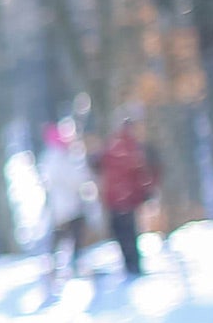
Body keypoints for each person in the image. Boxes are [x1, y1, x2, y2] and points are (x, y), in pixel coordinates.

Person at [95, 115, 160, 278]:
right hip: (126, 198)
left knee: (122, 234)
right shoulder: (133, 148)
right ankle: (134, 267)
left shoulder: (112, 145)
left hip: (114, 198)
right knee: (129, 233)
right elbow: (141, 173)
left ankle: (130, 266)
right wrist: (146, 190)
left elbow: (99, 165)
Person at [38, 122, 93, 277]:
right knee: (72, 235)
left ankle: (55, 264)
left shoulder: (50, 158)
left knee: (62, 236)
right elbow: (75, 179)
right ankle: (69, 263)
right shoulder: (60, 157)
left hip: (60, 205)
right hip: (68, 205)